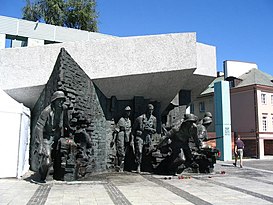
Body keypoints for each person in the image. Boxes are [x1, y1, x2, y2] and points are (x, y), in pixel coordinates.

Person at [34, 90, 67, 182]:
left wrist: (68, 135)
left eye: (62, 100)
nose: (61, 102)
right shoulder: (46, 111)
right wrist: (40, 144)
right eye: (59, 100)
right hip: (47, 138)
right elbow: (39, 128)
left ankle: (57, 176)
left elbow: (66, 122)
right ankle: (42, 177)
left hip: (57, 136)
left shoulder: (64, 109)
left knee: (60, 157)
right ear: (54, 101)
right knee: (47, 161)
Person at [132, 104, 157, 173]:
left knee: (147, 152)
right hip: (140, 137)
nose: (150, 111)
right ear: (147, 110)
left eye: (152, 110)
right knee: (139, 151)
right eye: (149, 109)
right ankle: (138, 166)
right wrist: (132, 140)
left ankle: (146, 167)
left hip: (147, 137)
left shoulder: (154, 119)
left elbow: (155, 130)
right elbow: (133, 129)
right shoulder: (140, 118)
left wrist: (149, 129)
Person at [111, 106, 132, 172]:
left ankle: (123, 165)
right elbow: (116, 130)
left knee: (126, 152)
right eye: (127, 111)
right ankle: (120, 166)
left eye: (129, 111)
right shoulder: (121, 120)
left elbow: (130, 129)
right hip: (121, 135)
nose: (128, 113)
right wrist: (113, 139)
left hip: (127, 137)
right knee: (120, 151)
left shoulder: (129, 121)